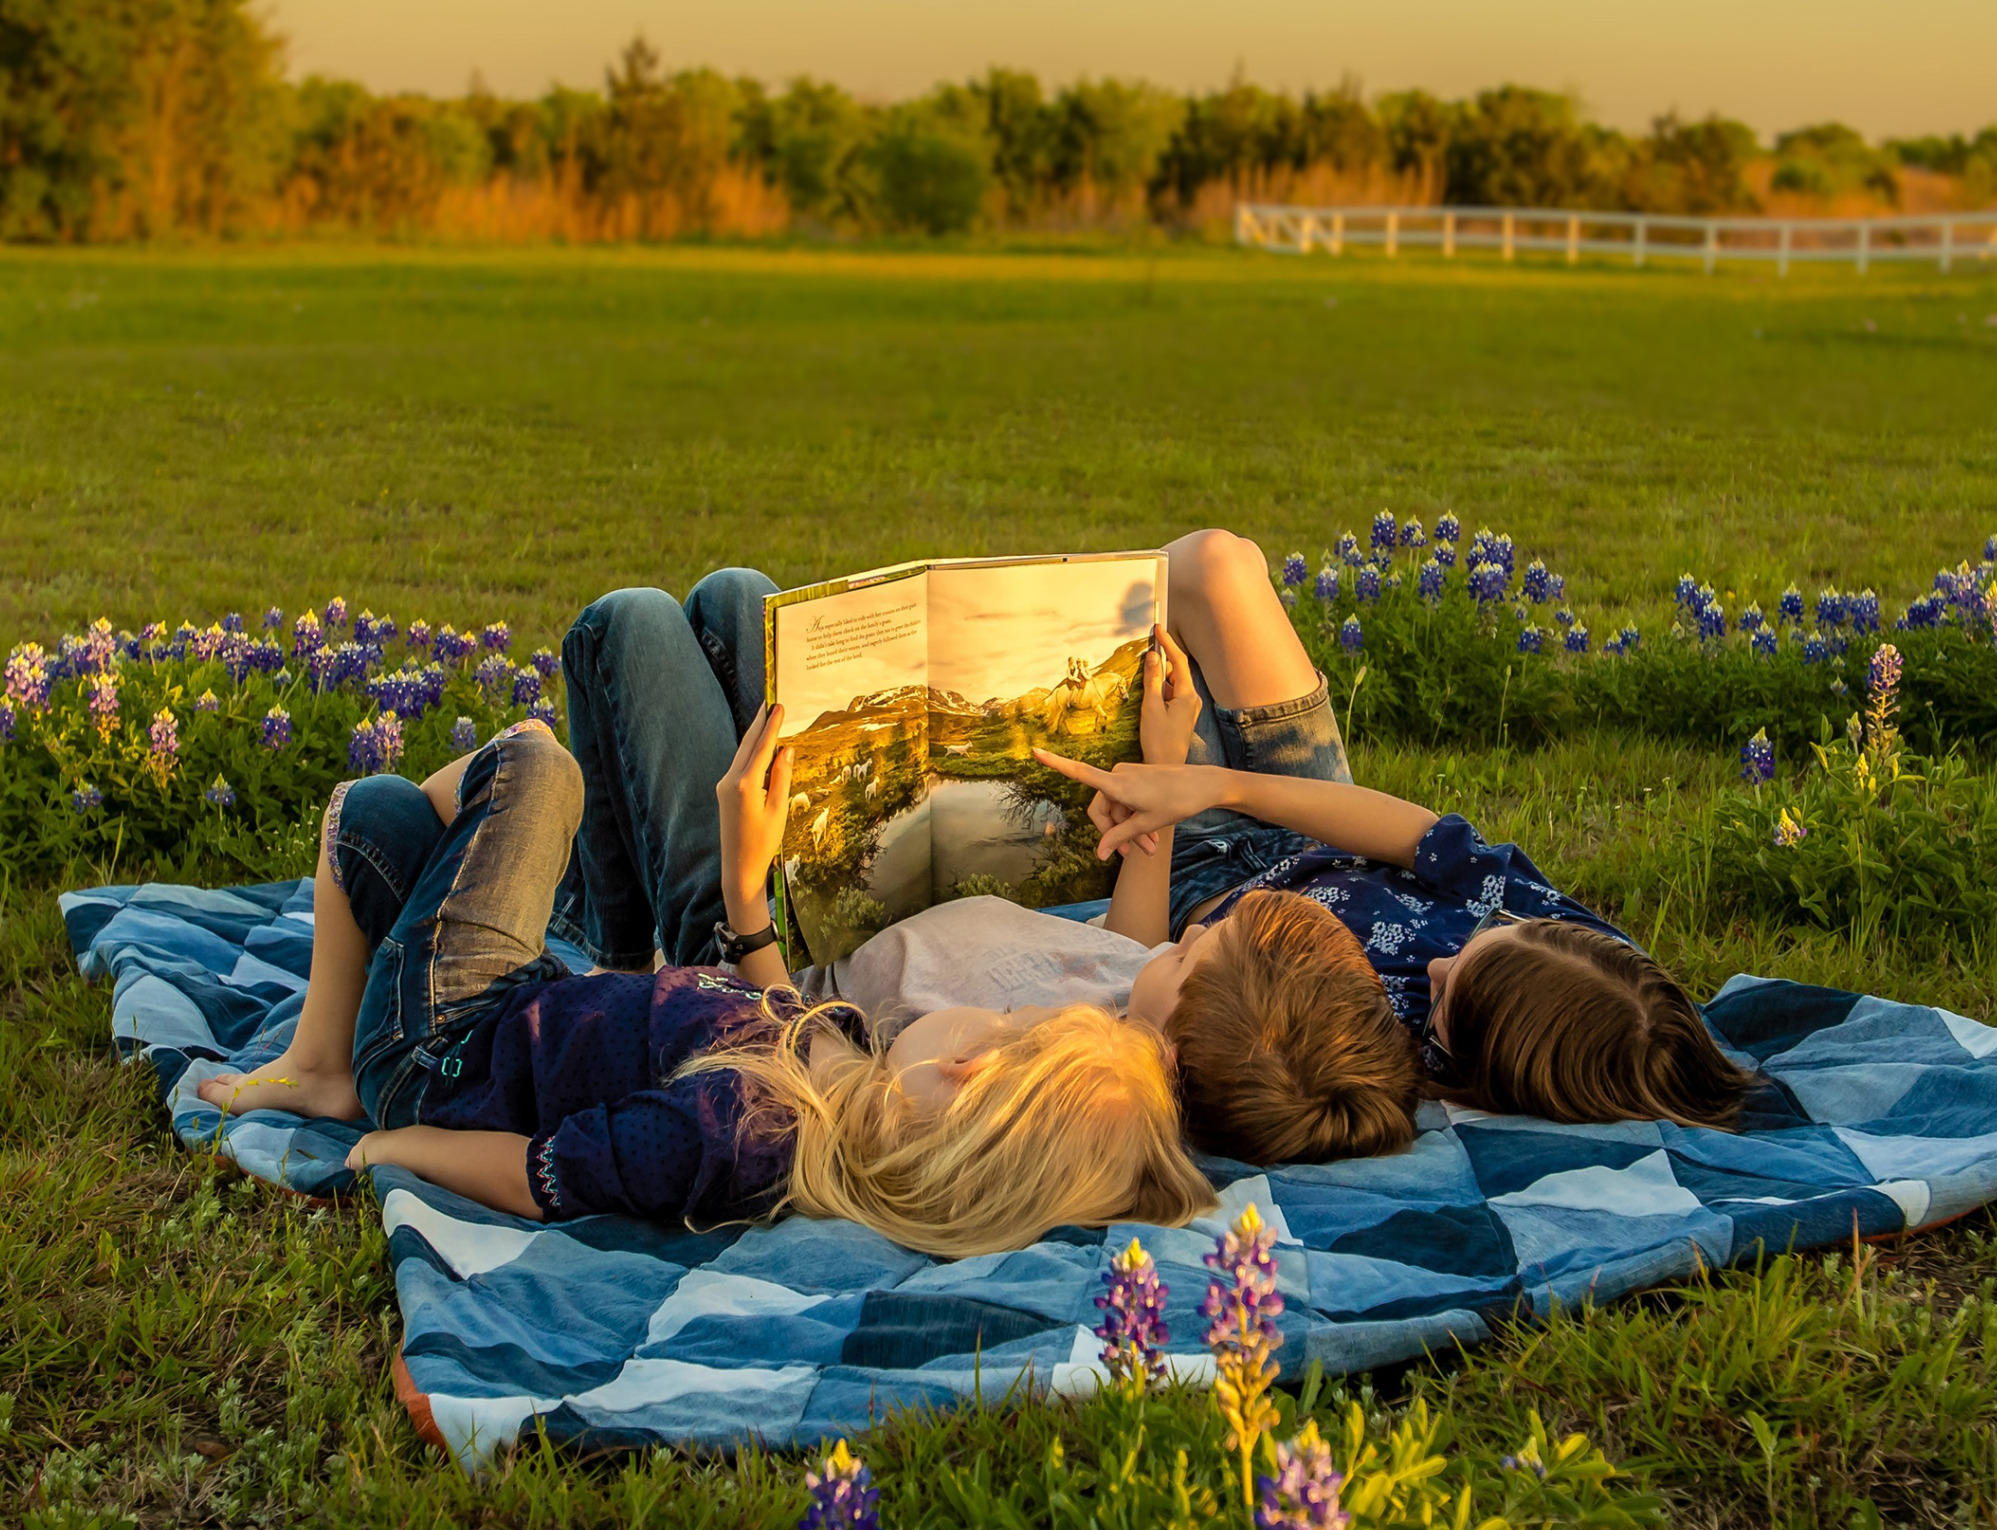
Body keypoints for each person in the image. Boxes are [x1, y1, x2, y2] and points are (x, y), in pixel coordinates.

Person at [194, 717, 1214, 1256]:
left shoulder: (741, 1127)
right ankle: (332, 1056)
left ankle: (339, 1069)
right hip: (517, 1000)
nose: (984, 1002)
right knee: (379, 820)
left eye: (1002, 1012)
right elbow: (756, 1005)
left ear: (963, 1062)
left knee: (538, 765)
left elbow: (542, 1171)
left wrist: (395, 1142)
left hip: (448, 1046)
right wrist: (742, 887)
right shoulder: (841, 1072)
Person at [555, 574, 1420, 1166]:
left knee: (626, 623)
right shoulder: (1142, 996)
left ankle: (622, 960)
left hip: (758, 953)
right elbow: (1131, 945)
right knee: (738, 597)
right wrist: (1153, 780)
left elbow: (827, 1082)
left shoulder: (1039, 1087)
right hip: (853, 883)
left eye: (1198, 954)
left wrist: (746, 899)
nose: (1194, 929)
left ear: (1172, 1048)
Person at [1044, 529, 1757, 1131]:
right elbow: (1414, 835)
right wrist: (1222, 785)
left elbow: (1139, 969)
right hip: (1314, 810)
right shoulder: (1580, 966)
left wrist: (1160, 790)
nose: (1439, 968)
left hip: (1193, 879)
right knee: (1218, 563)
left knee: (1099, 691)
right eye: (1478, 944)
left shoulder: (1377, 1054)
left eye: (1443, 1003)